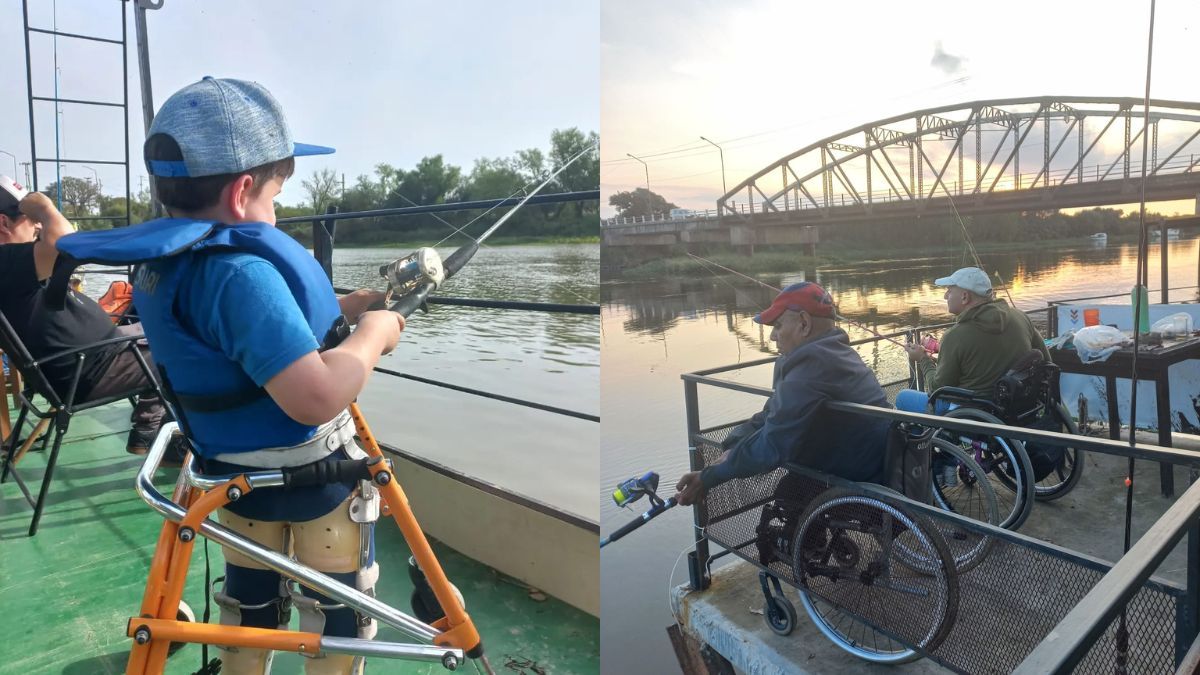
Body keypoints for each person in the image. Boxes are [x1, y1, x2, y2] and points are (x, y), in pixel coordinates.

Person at [55, 77, 400, 675]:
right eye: (276, 198)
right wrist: (376, 334)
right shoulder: (242, 272)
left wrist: (348, 307)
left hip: (230, 476)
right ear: (244, 191)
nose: (275, 215)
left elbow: (239, 336)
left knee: (250, 606)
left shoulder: (163, 265)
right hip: (308, 476)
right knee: (340, 612)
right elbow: (314, 395)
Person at [674, 282, 892, 507]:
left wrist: (709, 476)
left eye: (777, 326)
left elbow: (773, 444)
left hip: (860, 479)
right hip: (871, 463)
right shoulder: (833, 353)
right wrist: (733, 446)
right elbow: (772, 412)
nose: (772, 337)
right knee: (790, 492)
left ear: (804, 323)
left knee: (787, 500)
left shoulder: (812, 366)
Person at [0, 175, 171, 456]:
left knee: (162, 325)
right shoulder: (8, 263)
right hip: (92, 370)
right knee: (187, 345)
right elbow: (66, 244)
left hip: (99, 355)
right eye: (31, 219)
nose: (39, 226)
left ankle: (149, 424)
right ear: (4, 224)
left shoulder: (17, 266)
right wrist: (44, 205)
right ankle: (150, 431)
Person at [903, 266, 1050, 396]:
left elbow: (937, 389)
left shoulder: (954, 336)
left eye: (949, 290)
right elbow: (1047, 361)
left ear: (965, 297)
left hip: (972, 412)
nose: (945, 296)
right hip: (1016, 406)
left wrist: (923, 359)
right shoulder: (1020, 316)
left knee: (905, 397)